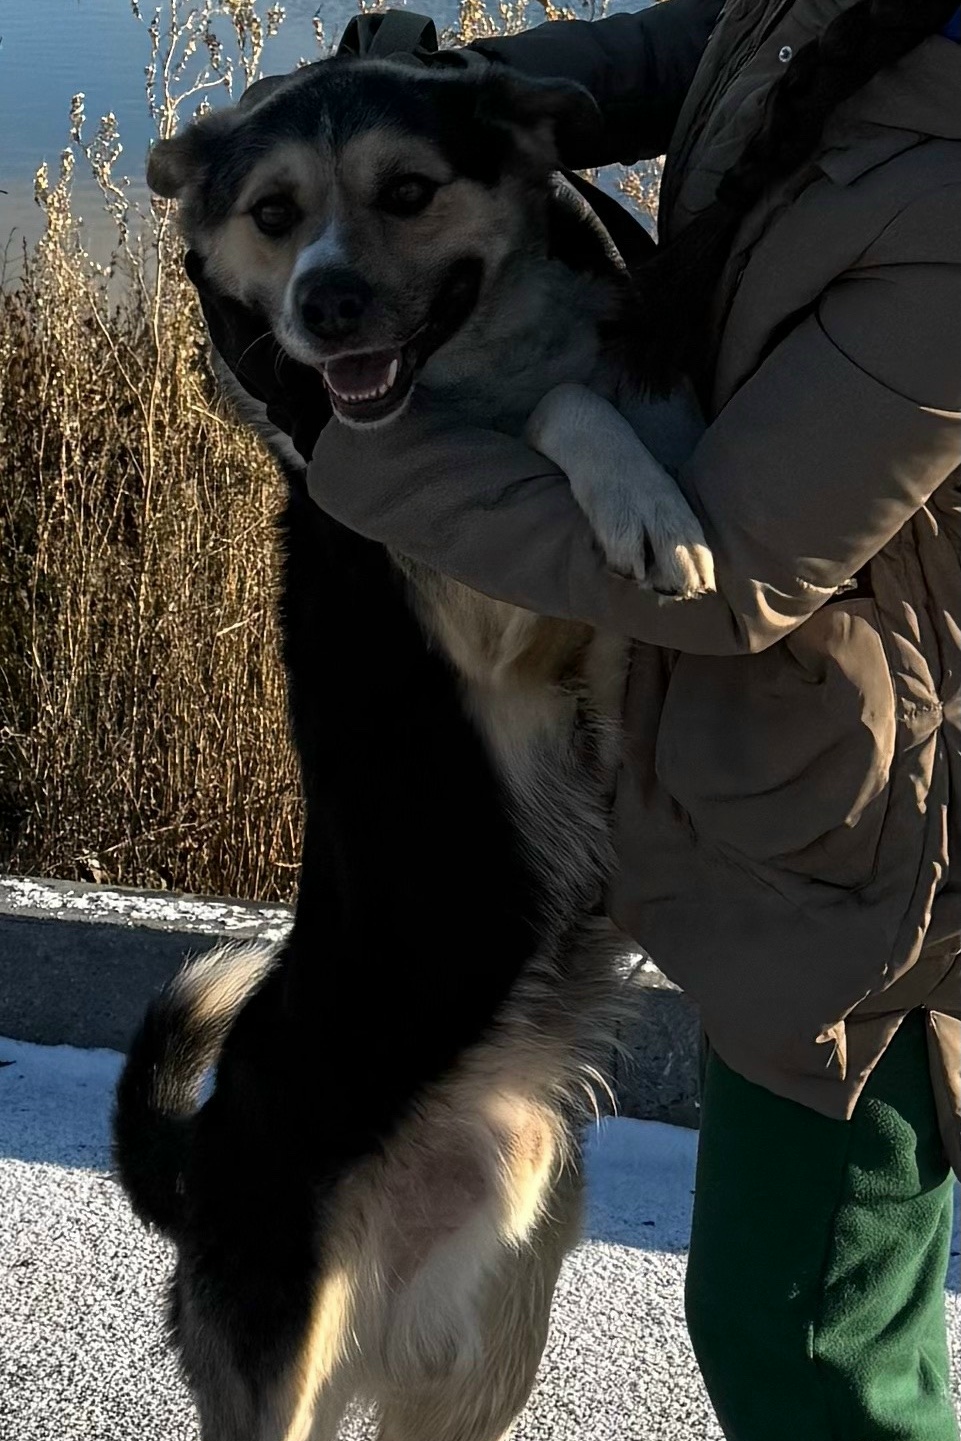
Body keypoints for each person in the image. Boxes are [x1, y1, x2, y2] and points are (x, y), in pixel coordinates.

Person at [191, 2, 961, 1436]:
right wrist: (411, 104)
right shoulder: (847, 8)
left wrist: (343, 447)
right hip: (771, 793)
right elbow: (695, 55)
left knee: (804, 1349)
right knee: (785, 1327)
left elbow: (728, 571)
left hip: (874, 844)